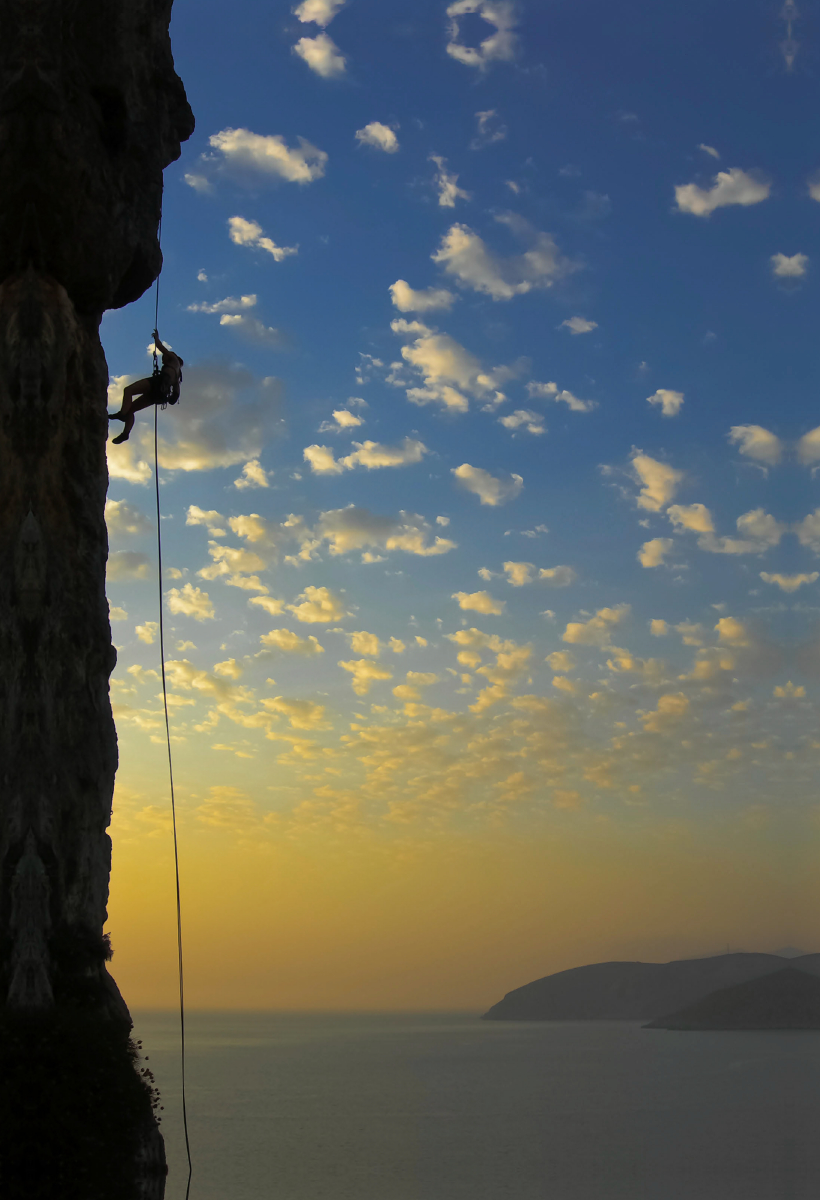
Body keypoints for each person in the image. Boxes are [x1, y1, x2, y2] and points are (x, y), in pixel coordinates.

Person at [108, 330, 183, 444]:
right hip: (160, 395)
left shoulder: (173, 358)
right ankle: (125, 433)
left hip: (157, 383)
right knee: (131, 409)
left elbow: (161, 347)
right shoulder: (177, 377)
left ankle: (121, 414)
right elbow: (175, 395)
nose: (163, 359)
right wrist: (169, 398)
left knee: (128, 390)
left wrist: (156, 338)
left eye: (164, 358)